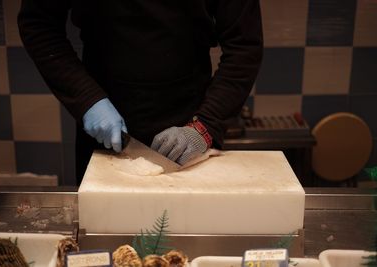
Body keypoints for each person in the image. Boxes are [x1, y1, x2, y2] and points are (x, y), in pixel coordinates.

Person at [18, 0, 263, 184]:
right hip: (104, 127)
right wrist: (86, 100)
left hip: (192, 122)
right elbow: (38, 23)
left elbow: (245, 46)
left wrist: (207, 124)